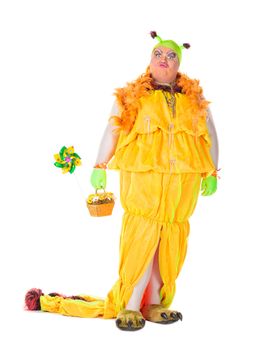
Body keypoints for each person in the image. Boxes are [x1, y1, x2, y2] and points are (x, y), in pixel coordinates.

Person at [25, 31, 220, 332]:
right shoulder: (134, 95)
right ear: (150, 59)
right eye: (159, 54)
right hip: (143, 186)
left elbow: (211, 136)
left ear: (179, 63)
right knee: (141, 241)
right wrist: (100, 164)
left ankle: (154, 303)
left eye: (171, 56)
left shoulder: (194, 101)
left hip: (182, 190)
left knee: (168, 244)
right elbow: (113, 129)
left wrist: (212, 172)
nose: (164, 60)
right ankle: (130, 306)